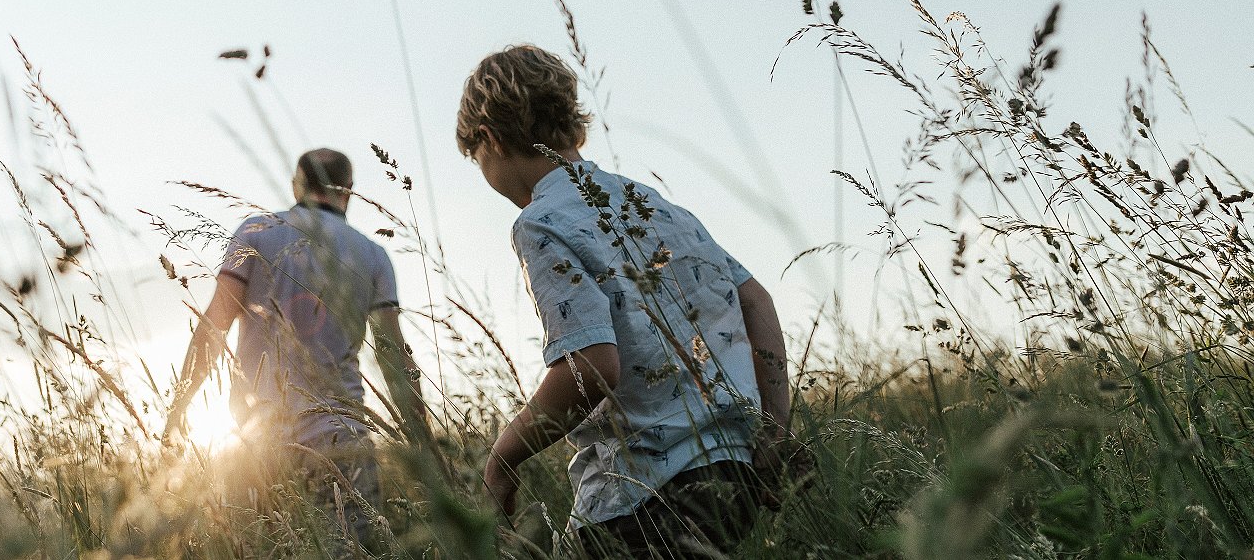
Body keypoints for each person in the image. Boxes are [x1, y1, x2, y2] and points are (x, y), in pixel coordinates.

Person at [455, 45, 800, 557]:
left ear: (488, 138)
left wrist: (503, 456)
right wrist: (773, 430)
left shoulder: (541, 221)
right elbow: (755, 300)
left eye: (478, 160)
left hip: (641, 496)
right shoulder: (650, 202)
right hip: (734, 473)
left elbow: (592, 366)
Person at [163, 148, 422, 549]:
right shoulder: (373, 255)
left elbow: (213, 328)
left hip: (258, 444)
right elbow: (393, 354)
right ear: (348, 191)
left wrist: (178, 410)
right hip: (342, 444)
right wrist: (419, 436)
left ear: (297, 184)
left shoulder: (256, 232)